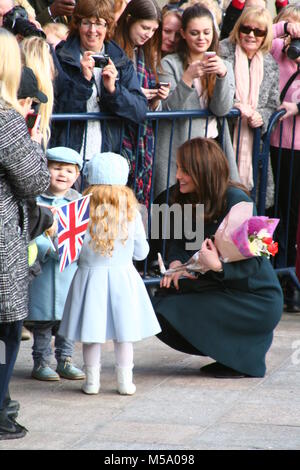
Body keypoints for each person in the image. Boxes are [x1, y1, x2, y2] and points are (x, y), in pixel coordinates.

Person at [152, 137, 283, 378]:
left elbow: (258, 259)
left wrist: (219, 267)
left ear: (202, 171)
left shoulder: (240, 201)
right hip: (218, 288)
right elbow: (178, 244)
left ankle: (240, 357)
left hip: (254, 298)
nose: (178, 175)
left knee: (166, 310)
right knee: (157, 307)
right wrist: (176, 264)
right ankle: (232, 356)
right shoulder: (181, 196)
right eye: (178, 167)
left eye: (184, 169)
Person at [59, 152, 161, 395]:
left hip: (89, 279)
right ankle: (125, 381)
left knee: (91, 334)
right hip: (123, 279)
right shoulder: (132, 213)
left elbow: (70, 253)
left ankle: (92, 381)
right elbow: (141, 253)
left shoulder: (78, 213)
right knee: (123, 335)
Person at [0, 27, 50, 440]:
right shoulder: (5, 119)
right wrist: (31, 139)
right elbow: (35, 180)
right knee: (5, 331)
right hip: (1, 242)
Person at [50, 0, 148, 172]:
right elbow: (57, 109)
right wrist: (83, 81)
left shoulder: (120, 59)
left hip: (106, 160)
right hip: (69, 160)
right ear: (78, 24)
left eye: (99, 24)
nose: (92, 30)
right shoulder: (61, 56)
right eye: (86, 22)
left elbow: (139, 111)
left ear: (108, 26)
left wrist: (113, 90)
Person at [154, 4, 238, 199]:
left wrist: (222, 76)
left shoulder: (224, 65)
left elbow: (221, 109)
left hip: (211, 149)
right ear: (183, 33)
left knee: (205, 209)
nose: (202, 38)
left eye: (207, 32)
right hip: (179, 148)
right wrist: (187, 79)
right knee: (172, 211)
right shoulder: (169, 64)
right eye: (194, 32)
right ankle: (167, 231)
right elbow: (168, 109)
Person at [26, 147, 86, 382]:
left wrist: (70, 248)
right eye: (56, 168)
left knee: (67, 319)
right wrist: (47, 248)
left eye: (69, 170)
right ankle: (41, 362)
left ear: (77, 174)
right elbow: (32, 230)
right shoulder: (35, 200)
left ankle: (66, 359)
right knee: (42, 322)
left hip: (68, 270)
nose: (63, 174)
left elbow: (81, 233)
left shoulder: (78, 201)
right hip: (42, 271)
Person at [114, 0, 169, 206]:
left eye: (154, 30)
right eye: (145, 27)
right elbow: (108, 94)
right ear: (129, 20)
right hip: (119, 137)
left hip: (142, 137)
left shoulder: (145, 53)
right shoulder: (113, 49)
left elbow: (149, 108)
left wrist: (155, 98)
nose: (149, 34)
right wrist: (135, 96)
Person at [219, 6, 280, 191]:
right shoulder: (222, 51)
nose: (251, 35)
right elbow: (212, 92)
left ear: (266, 34)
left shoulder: (270, 63)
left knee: (251, 199)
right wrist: (236, 107)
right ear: (238, 28)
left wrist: (260, 116)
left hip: (255, 144)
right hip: (223, 137)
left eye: (259, 31)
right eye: (246, 28)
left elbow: (272, 104)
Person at [269, 4, 300, 311]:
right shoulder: (277, 52)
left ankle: (290, 278)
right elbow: (259, 35)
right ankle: (278, 277)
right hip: (280, 145)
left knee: (294, 218)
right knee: (281, 214)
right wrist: (284, 30)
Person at [220, 0, 288, 40]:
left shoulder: (270, 33)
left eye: (260, 9)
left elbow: (286, 18)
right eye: (250, 8)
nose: (255, 13)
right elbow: (230, 21)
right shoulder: (235, 31)